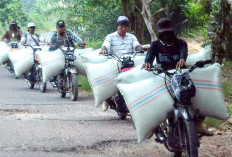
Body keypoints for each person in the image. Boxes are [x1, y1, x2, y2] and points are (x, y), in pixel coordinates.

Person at [144, 17, 213, 136]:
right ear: (159, 34)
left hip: (180, 74)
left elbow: (183, 51)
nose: (166, 36)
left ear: (172, 32)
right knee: (153, 98)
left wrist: (182, 59)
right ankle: (154, 125)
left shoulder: (181, 43)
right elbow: (149, 57)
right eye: (163, 33)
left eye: (168, 33)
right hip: (163, 75)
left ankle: (198, 124)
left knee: (200, 95)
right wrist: (148, 63)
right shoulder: (155, 45)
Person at [100, 16, 142, 112]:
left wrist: (139, 47)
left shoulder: (132, 37)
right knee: (109, 80)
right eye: (121, 26)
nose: (123, 29)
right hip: (115, 63)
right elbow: (106, 44)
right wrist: (104, 49)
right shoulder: (110, 37)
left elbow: (136, 44)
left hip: (129, 63)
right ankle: (107, 98)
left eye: (126, 27)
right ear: (117, 26)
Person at [48, 20, 86, 87]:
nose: (61, 28)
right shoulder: (54, 34)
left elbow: (76, 38)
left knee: (75, 62)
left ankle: (74, 80)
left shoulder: (68, 32)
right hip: (58, 53)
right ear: (57, 28)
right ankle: (53, 79)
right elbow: (49, 40)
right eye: (60, 27)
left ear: (65, 27)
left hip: (70, 51)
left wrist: (81, 42)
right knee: (55, 65)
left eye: (63, 26)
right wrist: (50, 44)